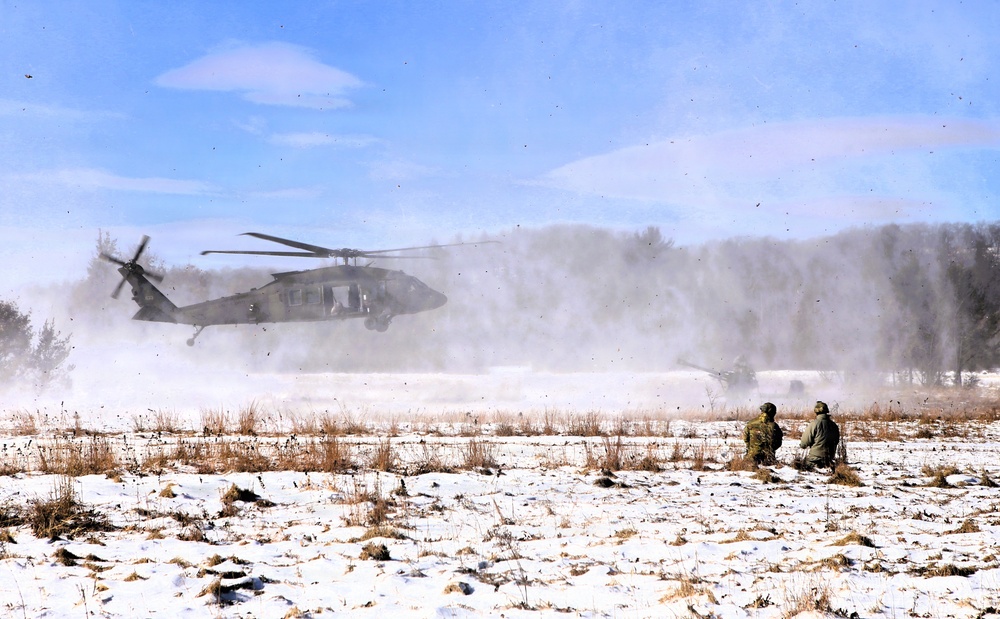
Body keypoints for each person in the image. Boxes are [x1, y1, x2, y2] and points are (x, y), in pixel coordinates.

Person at [799, 401, 840, 468]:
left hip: (814, 459)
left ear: (816, 411)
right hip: (829, 459)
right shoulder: (834, 425)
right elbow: (836, 441)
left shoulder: (814, 424)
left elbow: (804, 443)